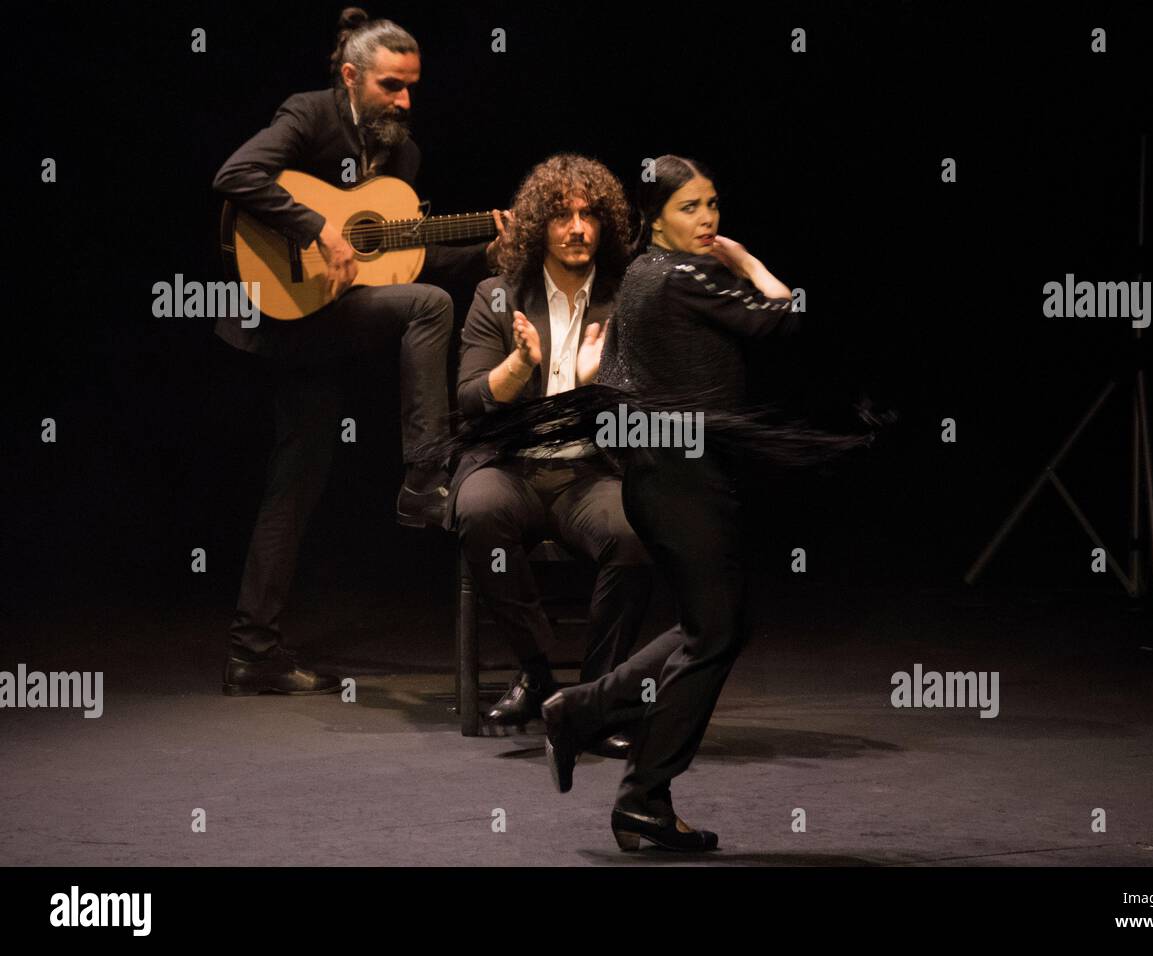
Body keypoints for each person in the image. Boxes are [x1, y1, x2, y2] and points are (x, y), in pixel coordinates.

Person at [428, 155, 882, 851]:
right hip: (677, 481)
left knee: (716, 624)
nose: (708, 221)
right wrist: (754, 264)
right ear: (656, 217)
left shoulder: (638, 278)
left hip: (656, 477)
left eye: (713, 206)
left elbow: (620, 377)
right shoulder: (679, 277)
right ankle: (633, 781)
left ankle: (583, 716)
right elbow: (786, 319)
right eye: (690, 208)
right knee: (716, 631)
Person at [212, 8, 509, 696]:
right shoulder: (311, 113)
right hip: (284, 313)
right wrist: (320, 228)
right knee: (430, 310)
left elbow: (408, 253)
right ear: (351, 76)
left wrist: (484, 243)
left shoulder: (401, 156)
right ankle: (422, 478)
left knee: (297, 482)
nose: (404, 101)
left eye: (411, 87)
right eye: (390, 86)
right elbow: (237, 175)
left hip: (332, 317)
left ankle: (251, 651)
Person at [448, 155, 652, 755]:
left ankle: (592, 698)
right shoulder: (498, 295)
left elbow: (647, 414)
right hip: (511, 466)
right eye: (562, 215)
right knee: (479, 510)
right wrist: (516, 368)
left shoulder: (627, 302)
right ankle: (537, 671)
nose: (578, 227)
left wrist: (601, 384)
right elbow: (468, 400)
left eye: (589, 214)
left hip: (591, 471)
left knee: (636, 532)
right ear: (539, 224)